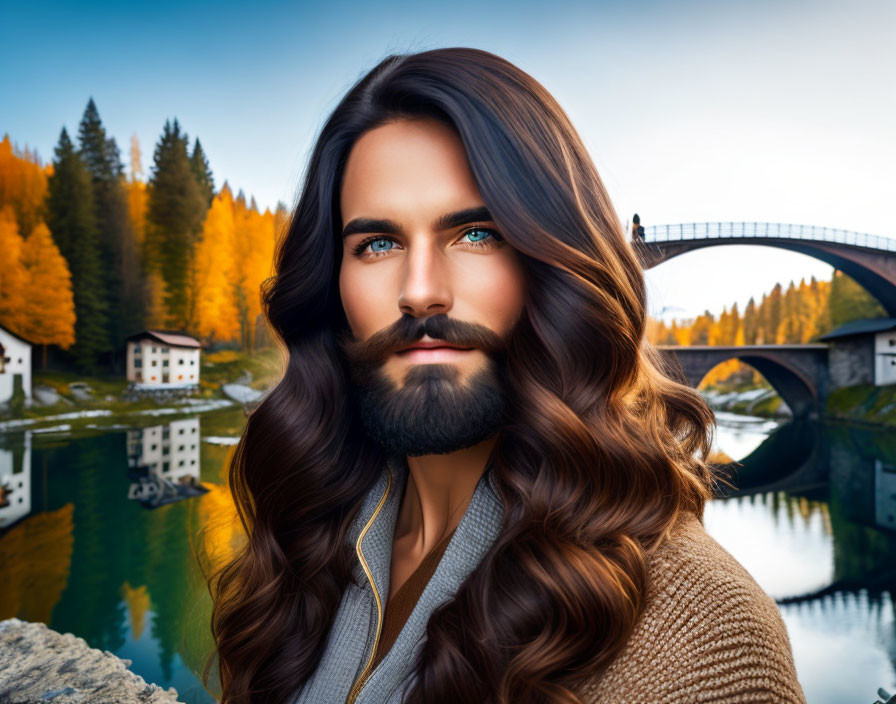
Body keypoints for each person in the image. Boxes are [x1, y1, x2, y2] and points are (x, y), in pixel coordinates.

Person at [203, 47, 806, 704]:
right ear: (333, 290)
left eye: (477, 234)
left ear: (555, 269)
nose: (422, 292)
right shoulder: (307, 544)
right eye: (378, 244)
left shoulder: (705, 639)